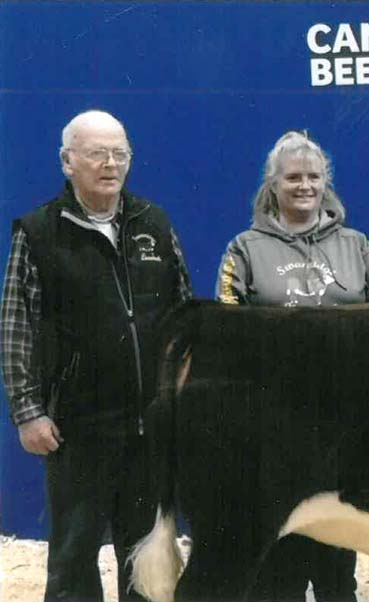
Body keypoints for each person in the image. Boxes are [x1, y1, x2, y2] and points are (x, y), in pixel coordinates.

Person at [0, 110, 193, 601]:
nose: (110, 164)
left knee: (146, 558)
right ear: (67, 161)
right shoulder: (39, 231)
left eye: (119, 153)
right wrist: (28, 411)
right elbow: (16, 323)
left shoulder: (155, 222)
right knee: (73, 557)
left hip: (150, 422)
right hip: (75, 427)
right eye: (95, 153)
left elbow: (184, 313)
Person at [216, 130, 369, 601]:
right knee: (280, 566)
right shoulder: (243, 249)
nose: (304, 186)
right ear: (273, 184)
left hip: (347, 420)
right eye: (293, 177)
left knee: (338, 564)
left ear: (326, 183)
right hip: (273, 419)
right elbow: (228, 326)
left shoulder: (358, 246)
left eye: (313, 177)